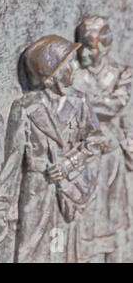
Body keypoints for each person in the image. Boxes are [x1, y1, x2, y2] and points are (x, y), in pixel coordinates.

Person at [0, 35, 112, 262]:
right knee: (32, 249)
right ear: (53, 74)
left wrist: (69, 163)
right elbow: (13, 159)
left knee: (65, 251)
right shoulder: (26, 107)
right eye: (69, 64)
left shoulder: (79, 101)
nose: (75, 67)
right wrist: (2, 207)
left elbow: (96, 139)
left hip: (69, 189)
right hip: (37, 189)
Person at [71, 16, 132, 262]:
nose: (82, 53)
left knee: (112, 213)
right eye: (81, 46)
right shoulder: (74, 75)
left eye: (88, 46)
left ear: (103, 47)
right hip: (84, 156)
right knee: (87, 218)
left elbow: (117, 106)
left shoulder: (121, 74)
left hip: (111, 157)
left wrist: (81, 103)